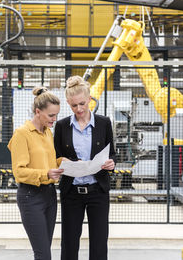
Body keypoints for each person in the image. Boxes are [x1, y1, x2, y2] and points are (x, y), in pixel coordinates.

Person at [54, 75, 116, 260]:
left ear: (89, 99)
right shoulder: (62, 126)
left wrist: (111, 164)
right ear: (68, 103)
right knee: (69, 241)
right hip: (71, 191)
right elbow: (56, 156)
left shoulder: (104, 123)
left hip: (98, 190)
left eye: (82, 103)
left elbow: (111, 153)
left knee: (99, 241)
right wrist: (64, 161)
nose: (79, 109)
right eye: (74, 106)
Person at [8, 86, 64, 260]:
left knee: (44, 249)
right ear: (38, 111)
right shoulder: (22, 134)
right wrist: (46, 174)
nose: (54, 120)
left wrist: (69, 164)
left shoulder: (47, 133)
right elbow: (19, 172)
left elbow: (51, 162)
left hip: (49, 195)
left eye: (56, 115)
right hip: (30, 197)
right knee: (43, 254)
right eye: (51, 115)